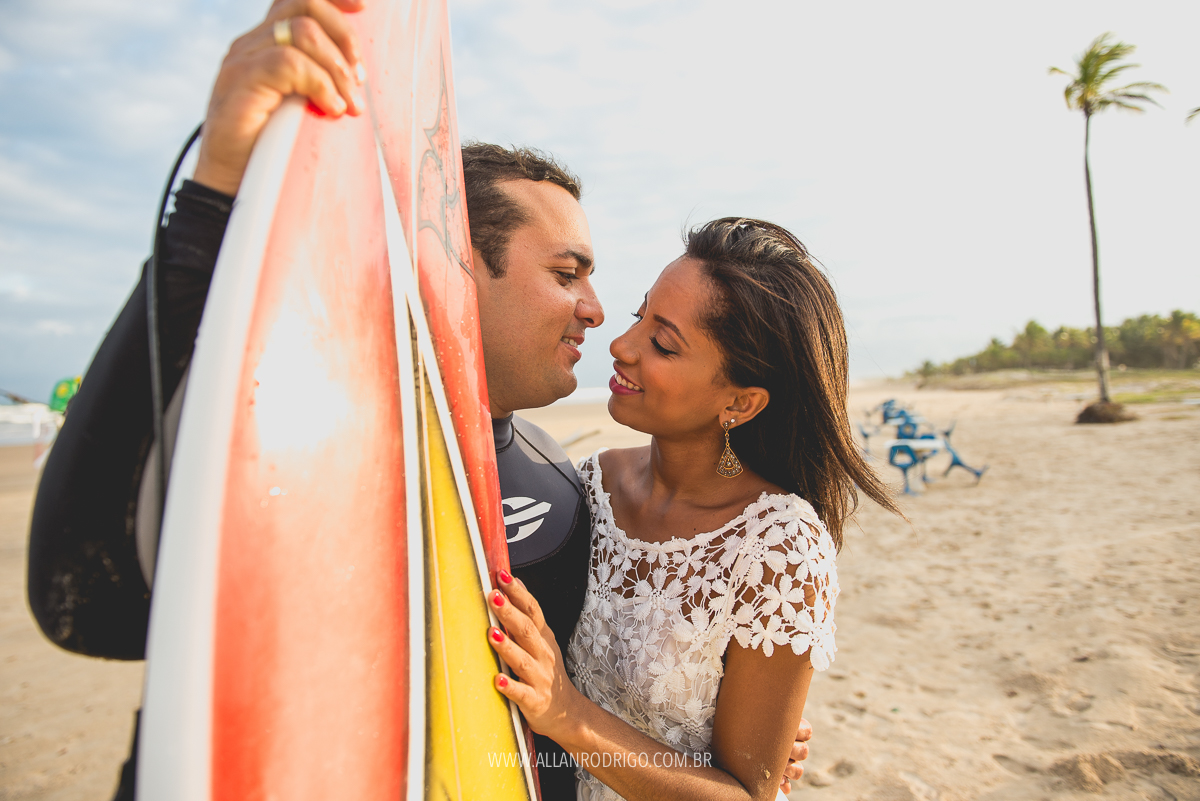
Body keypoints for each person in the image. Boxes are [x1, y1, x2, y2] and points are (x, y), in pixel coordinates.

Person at [25, 1, 811, 797]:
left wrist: (733, 736)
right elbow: (86, 604)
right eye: (567, 273)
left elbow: (561, 712)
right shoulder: (307, 446)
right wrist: (214, 188)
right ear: (451, 269)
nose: (600, 312)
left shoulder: (564, 491)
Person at [484, 218, 902, 800]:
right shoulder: (584, 484)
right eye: (639, 315)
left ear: (739, 401)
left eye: (662, 343)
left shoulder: (779, 547)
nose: (621, 346)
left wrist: (567, 714)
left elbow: (745, 793)